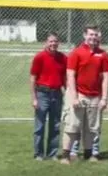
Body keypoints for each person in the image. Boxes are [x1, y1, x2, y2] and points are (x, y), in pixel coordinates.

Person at [61, 26, 108, 164]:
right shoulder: (76, 53)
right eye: (90, 34)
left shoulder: (103, 54)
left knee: (91, 128)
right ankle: (65, 156)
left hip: (94, 96)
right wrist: (74, 97)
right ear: (84, 35)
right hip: (78, 94)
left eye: (95, 35)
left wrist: (104, 98)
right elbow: (70, 75)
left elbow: (105, 77)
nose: (93, 37)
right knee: (72, 126)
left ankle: (89, 154)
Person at [30, 32, 67, 161]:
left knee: (55, 125)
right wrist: (34, 98)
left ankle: (52, 153)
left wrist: (68, 93)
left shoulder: (63, 58)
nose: (53, 44)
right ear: (46, 42)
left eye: (55, 41)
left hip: (57, 94)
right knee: (39, 126)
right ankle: (38, 154)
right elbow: (33, 78)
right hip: (42, 94)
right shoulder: (39, 57)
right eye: (51, 41)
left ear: (59, 43)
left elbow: (64, 78)